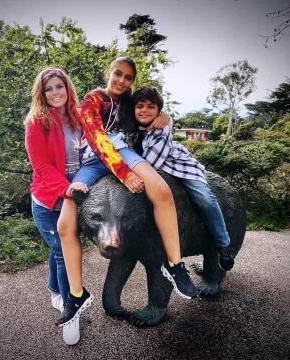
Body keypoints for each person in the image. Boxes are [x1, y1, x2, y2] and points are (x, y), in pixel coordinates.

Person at [56, 57, 198, 328]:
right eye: (118, 74)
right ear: (108, 73)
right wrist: (123, 173)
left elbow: (149, 114)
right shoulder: (93, 100)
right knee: (65, 223)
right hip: (96, 157)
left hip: (125, 153)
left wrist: (166, 118)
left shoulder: (129, 102)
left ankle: (175, 265)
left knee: (161, 191)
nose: (122, 80)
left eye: (128, 77)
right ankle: (76, 294)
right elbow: (97, 137)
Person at [132, 86, 235, 271]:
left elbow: (151, 161)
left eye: (150, 107)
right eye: (140, 106)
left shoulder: (160, 127)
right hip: (155, 172)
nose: (144, 110)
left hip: (180, 167)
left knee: (205, 199)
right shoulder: (133, 127)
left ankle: (223, 244)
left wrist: (167, 118)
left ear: (158, 111)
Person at [24, 67, 89, 345]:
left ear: (67, 88)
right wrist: (67, 189)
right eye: (48, 89)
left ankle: (54, 290)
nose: (54, 93)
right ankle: (70, 311)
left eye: (58, 86)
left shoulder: (79, 117)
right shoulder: (36, 123)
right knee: (62, 252)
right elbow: (41, 166)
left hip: (72, 197)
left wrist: (162, 116)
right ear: (42, 93)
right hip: (49, 201)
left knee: (58, 249)